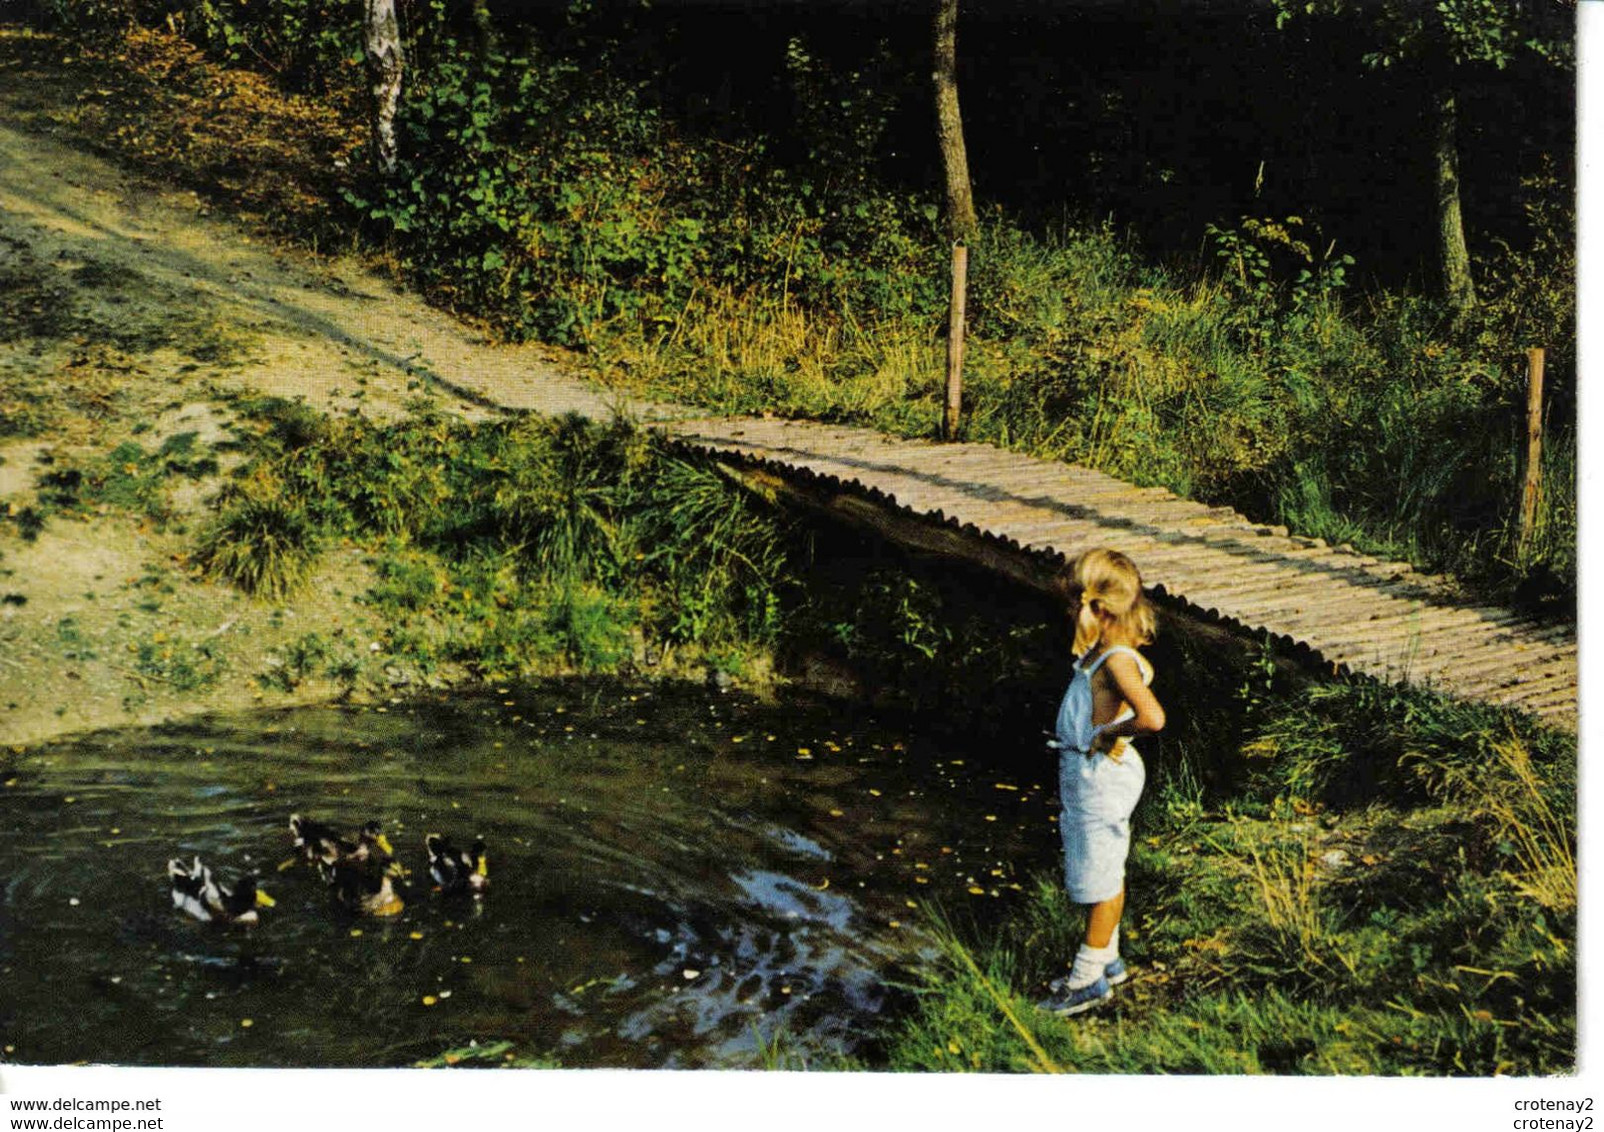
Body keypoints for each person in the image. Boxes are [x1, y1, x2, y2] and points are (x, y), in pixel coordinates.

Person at [1038, 547, 1166, 1016]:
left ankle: (1086, 979)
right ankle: (1108, 960)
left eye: (1074, 604)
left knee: (1099, 875)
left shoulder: (1117, 661)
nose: (1069, 613)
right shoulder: (1100, 655)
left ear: (1098, 608)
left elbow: (1152, 717)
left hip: (1101, 778)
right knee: (1101, 864)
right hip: (1085, 774)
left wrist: (1110, 732)